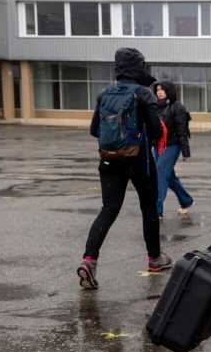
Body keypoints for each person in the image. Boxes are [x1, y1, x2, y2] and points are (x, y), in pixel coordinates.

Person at [76, 48, 172, 289]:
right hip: (138, 159)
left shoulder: (104, 94)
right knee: (148, 207)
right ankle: (154, 259)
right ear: (139, 69)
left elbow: (94, 130)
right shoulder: (143, 93)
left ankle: (89, 260)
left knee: (108, 209)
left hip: (109, 159)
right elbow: (156, 131)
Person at [151, 81, 194, 220]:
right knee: (169, 176)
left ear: (169, 91)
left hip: (172, 146)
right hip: (158, 146)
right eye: (157, 90)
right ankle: (186, 200)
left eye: (162, 89)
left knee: (160, 173)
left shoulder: (178, 107)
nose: (159, 92)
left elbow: (182, 132)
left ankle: (156, 210)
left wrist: (186, 152)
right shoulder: (155, 106)